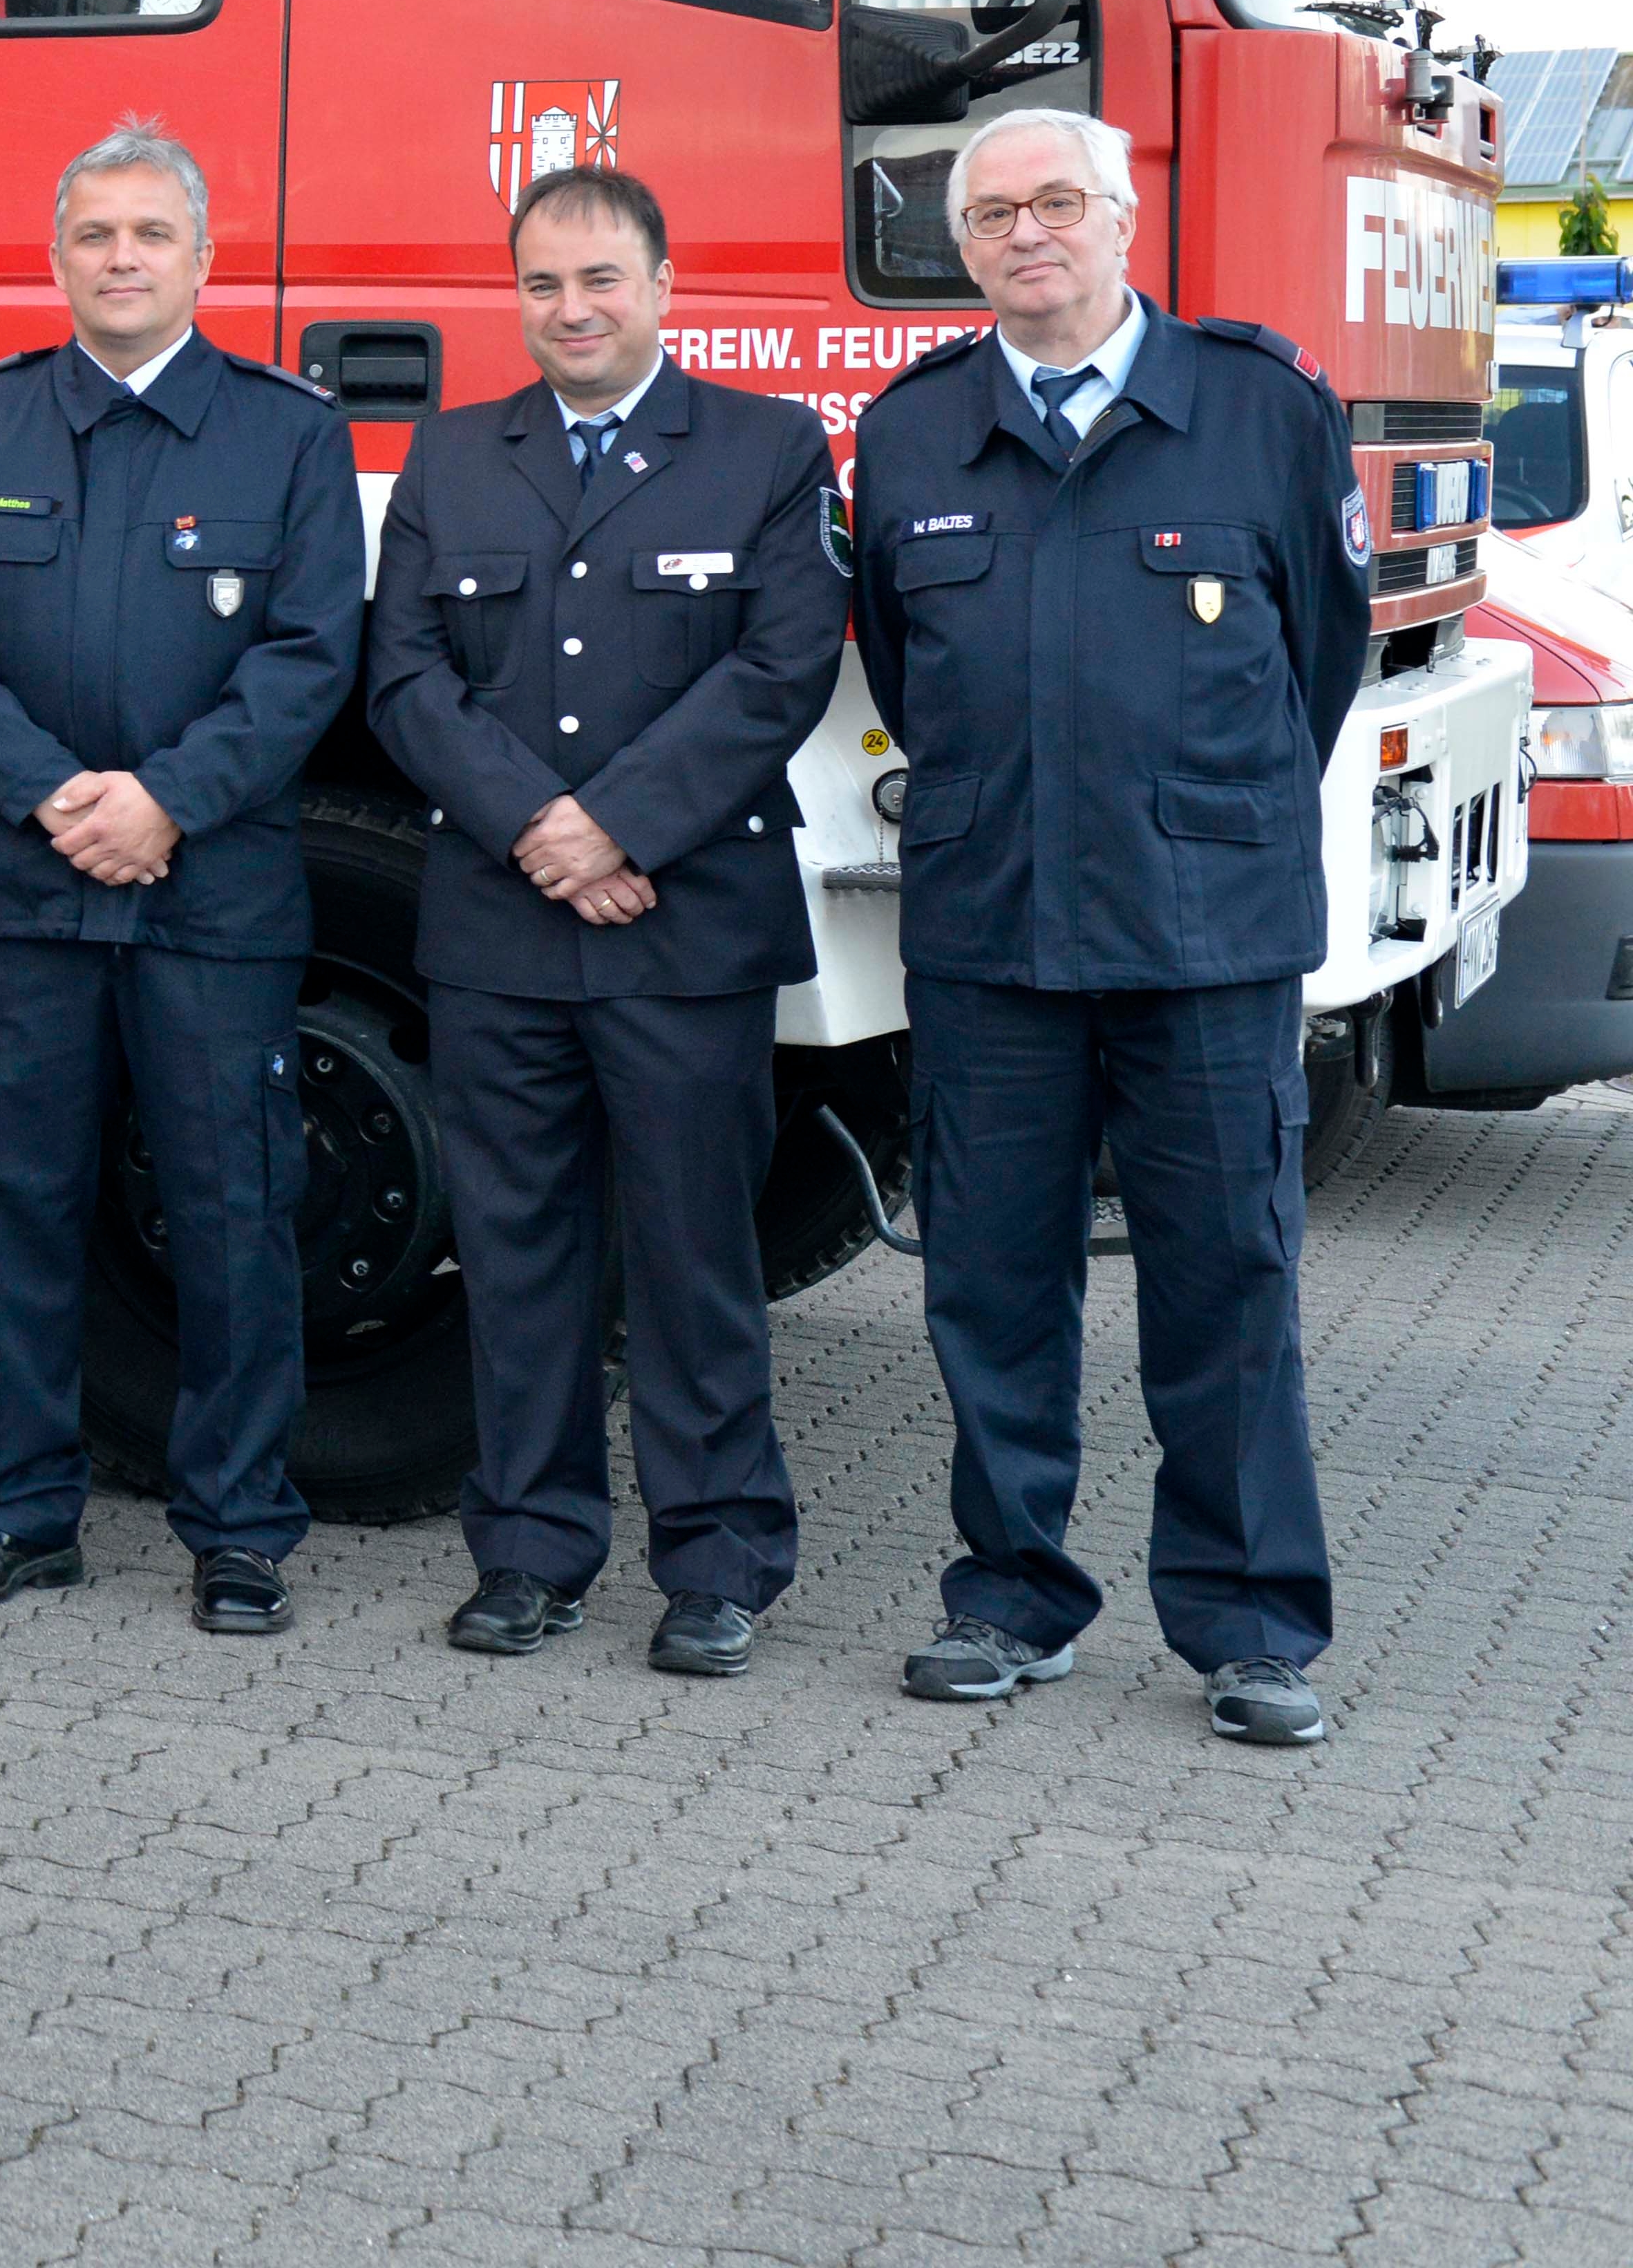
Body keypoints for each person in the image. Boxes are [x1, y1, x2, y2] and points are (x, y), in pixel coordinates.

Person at [851, 104, 1362, 1750]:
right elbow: (904, 667)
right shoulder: (914, 429)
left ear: (1123, 217)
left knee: (1227, 1283)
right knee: (991, 1284)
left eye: (1053, 201)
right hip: (991, 925)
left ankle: (1248, 1622)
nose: (1022, 233)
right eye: (988, 213)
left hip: (1204, 933)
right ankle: (1007, 1595)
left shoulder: (1256, 406)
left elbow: (1321, 662)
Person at [0, 119, 358, 1636]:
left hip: (205, 891)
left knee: (231, 1203)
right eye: (94, 235)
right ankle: (16, 1512)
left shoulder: (285, 433)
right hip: (20, 890)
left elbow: (307, 656)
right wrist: (46, 792)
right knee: (15, 1203)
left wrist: (163, 800)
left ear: (203, 258)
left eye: (150, 234)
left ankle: (238, 1528)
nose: (120, 258)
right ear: (56, 256)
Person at [361, 165, 838, 1679]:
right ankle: (528, 1548)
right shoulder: (449, 457)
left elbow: (778, 668)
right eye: (542, 284)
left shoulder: (762, 449)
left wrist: (613, 826)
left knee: (694, 1255)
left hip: (680, 926)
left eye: (599, 280)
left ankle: (715, 1562)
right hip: (501, 929)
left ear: (661, 284)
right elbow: (402, 676)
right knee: (515, 1254)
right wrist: (537, 829)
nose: (570, 310)